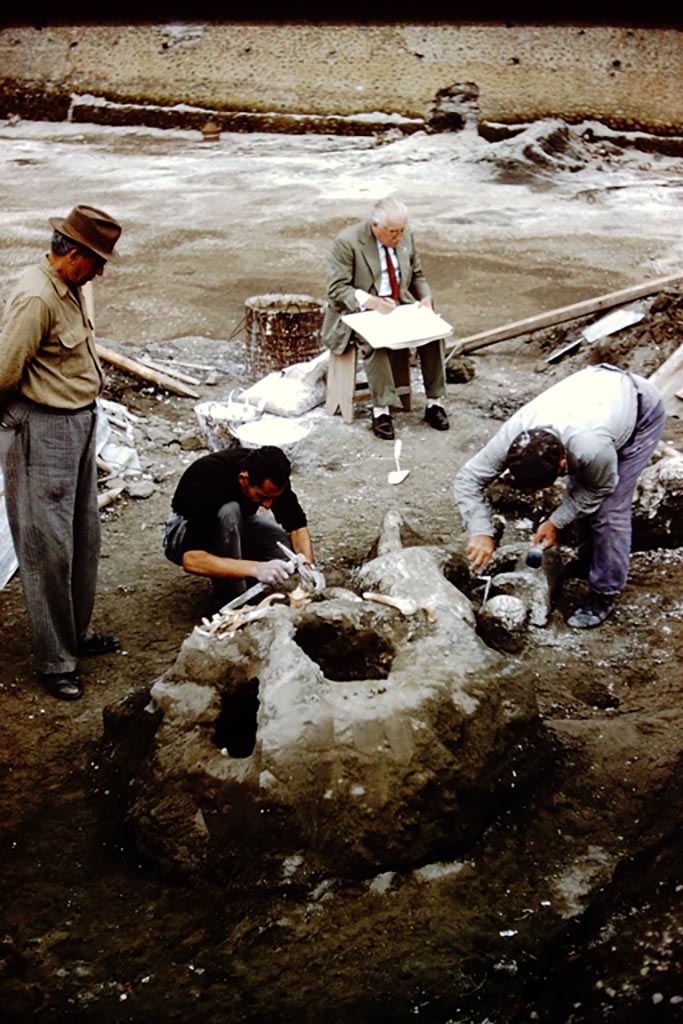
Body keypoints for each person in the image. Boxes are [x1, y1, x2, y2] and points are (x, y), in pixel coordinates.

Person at [0, 204, 123, 701]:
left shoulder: (69, 288)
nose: (101, 271)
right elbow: (5, 371)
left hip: (77, 424)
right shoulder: (35, 296)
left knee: (82, 537)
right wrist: (17, 424)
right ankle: (55, 659)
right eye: (96, 260)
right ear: (71, 254)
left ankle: (74, 633)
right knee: (46, 547)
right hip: (42, 428)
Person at [453, 363, 666, 628]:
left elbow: (601, 487)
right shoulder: (514, 435)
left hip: (640, 409)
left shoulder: (590, 447)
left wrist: (555, 521)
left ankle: (604, 591)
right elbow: (468, 479)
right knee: (580, 492)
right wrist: (480, 529)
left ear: (562, 464)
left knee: (609, 510)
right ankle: (589, 560)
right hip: (594, 395)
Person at [322, 196, 449, 441]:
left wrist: (426, 299)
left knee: (434, 335)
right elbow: (336, 289)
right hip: (358, 311)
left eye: (402, 230)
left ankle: (435, 402)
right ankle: (381, 410)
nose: (398, 237)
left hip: (398, 305)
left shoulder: (405, 235)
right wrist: (372, 302)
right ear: (375, 226)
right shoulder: (347, 242)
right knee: (375, 342)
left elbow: (417, 275)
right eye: (392, 232)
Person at [163, 444, 325, 607]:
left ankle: (238, 566)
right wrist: (255, 568)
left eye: (273, 498)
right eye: (262, 496)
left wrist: (308, 566)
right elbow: (191, 560)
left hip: (236, 525)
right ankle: (233, 598)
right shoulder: (207, 478)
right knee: (230, 511)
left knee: (286, 552)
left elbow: (296, 527)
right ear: (244, 479)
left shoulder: (271, 473)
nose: (268, 505)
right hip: (183, 536)